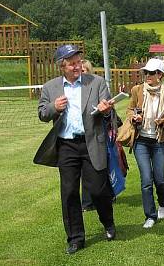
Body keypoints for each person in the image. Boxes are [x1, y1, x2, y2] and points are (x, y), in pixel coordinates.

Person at [36, 45, 116, 255]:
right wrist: (55, 107)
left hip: (91, 143)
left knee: (99, 190)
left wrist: (106, 111)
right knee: (70, 193)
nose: (77, 66)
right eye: (72, 63)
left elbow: (110, 115)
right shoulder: (50, 87)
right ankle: (75, 238)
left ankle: (108, 223)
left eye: (79, 62)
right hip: (66, 146)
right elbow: (43, 113)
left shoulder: (97, 83)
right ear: (62, 66)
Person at [124, 58, 164, 229]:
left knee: (159, 178)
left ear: (160, 75)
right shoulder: (137, 90)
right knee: (146, 179)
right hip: (141, 141)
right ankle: (150, 215)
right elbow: (130, 109)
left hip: (159, 141)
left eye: (151, 73)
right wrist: (134, 117)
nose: (147, 75)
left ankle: (163, 203)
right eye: (145, 72)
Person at [80, 59, 95, 212]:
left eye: (83, 70)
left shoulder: (95, 86)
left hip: (95, 134)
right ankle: (87, 202)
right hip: (81, 136)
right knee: (84, 172)